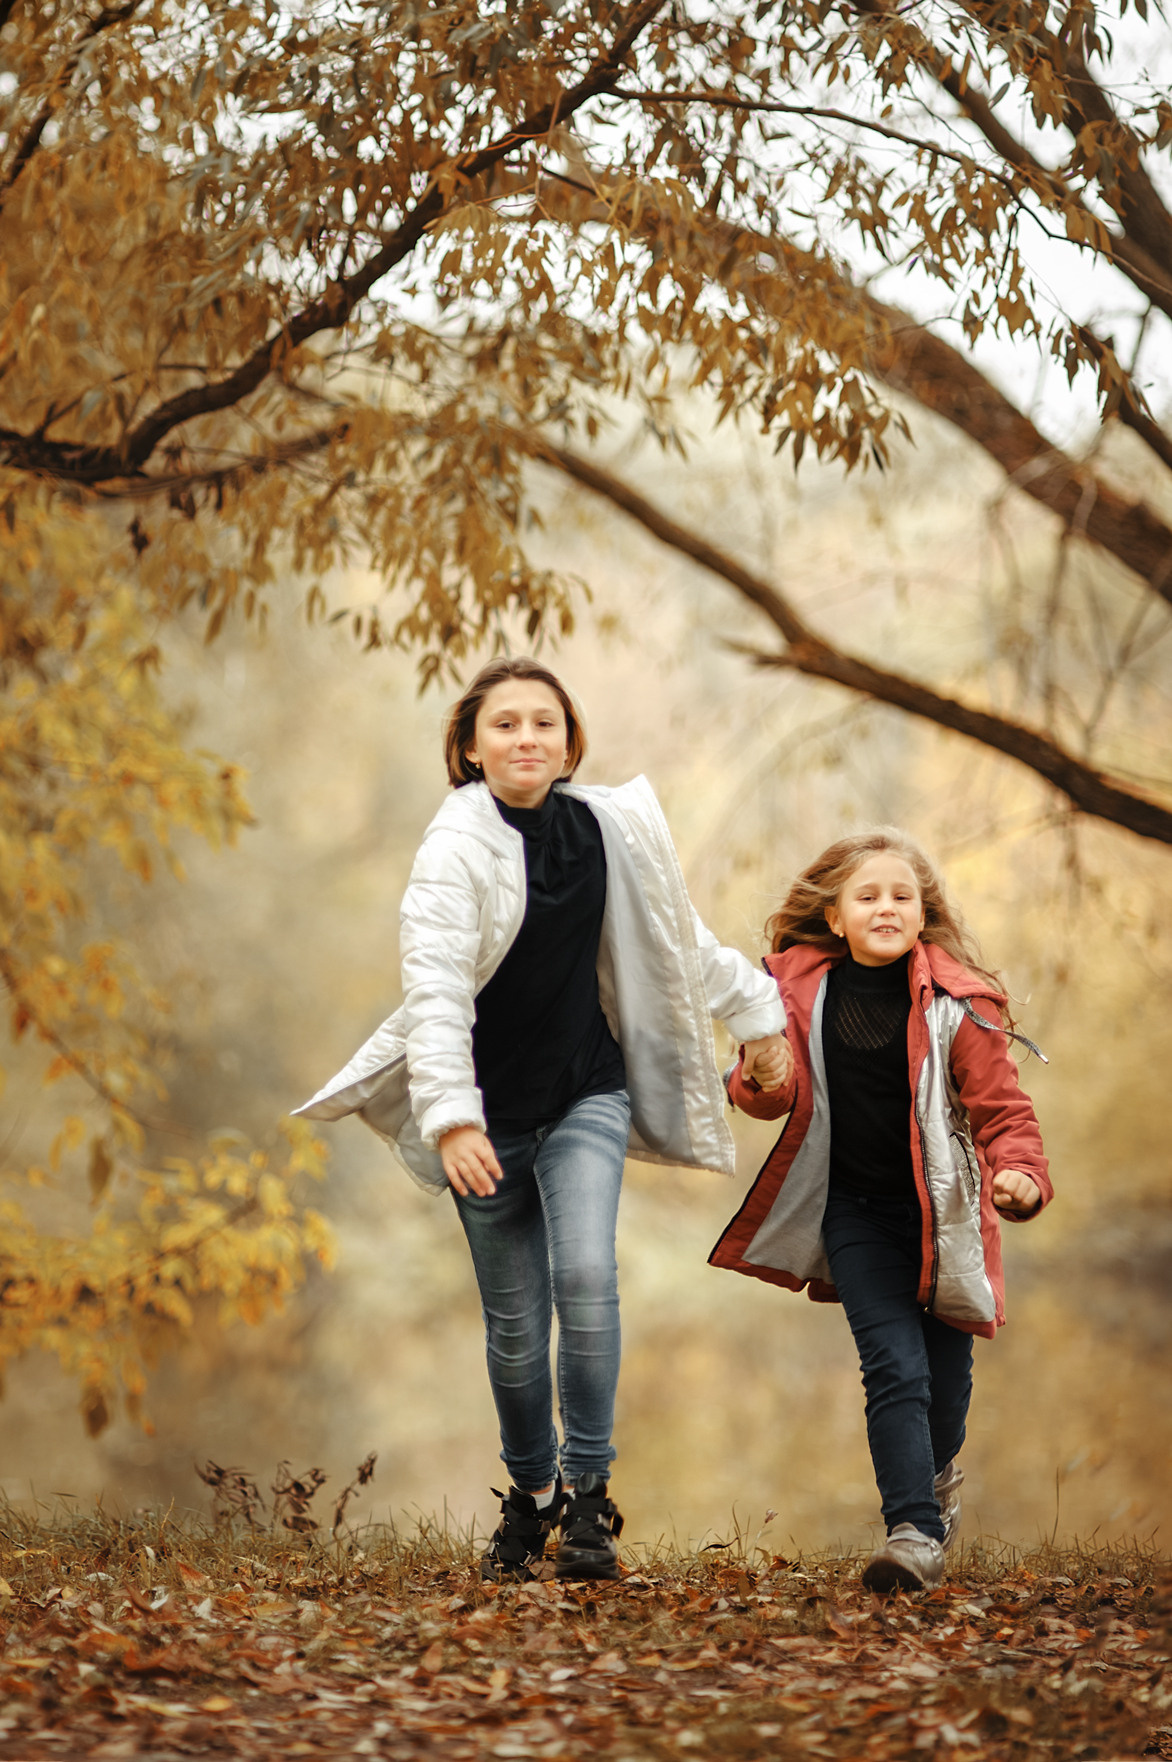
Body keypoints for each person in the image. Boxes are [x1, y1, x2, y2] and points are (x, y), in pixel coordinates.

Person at [294, 656, 787, 1582]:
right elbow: (434, 990)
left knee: (588, 1273)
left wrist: (760, 1016)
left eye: (545, 724)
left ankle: (591, 1498)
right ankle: (532, 1497)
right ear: (470, 748)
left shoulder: (610, 828)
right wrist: (451, 1118)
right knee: (516, 1329)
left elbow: (678, 940)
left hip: (583, 1093)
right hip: (483, 1117)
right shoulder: (453, 849)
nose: (527, 738)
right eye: (506, 724)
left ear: (570, 744)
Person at [709, 828, 1051, 1593]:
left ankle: (936, 1479)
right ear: (834, 918)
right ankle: (913, 1533)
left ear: (922, 911)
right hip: (855, 1213)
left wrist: (1021, 1174)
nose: (887, 907)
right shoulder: (791, 993)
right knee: (893, 1369)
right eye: (868, 896)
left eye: (903, 895)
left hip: (946, 1220)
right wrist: (759, 1074)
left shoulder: (960, 1006)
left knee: (946, 1385)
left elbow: (1003, 1112)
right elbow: (762, 1093)